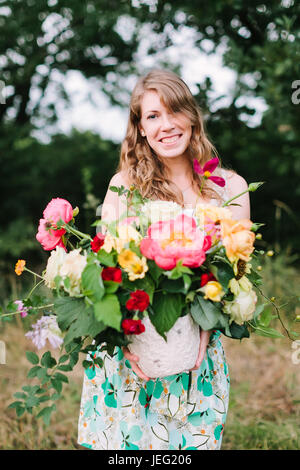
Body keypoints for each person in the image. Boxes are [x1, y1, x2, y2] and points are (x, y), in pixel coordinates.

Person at [77, 69, 250, 450]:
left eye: (174, 112)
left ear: (192, 117)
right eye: (152, 116)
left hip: (194, 354)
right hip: (131, 350)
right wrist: (122, 341)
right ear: (139, 128)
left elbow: (236, 276)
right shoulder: (125, 186)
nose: (166, 125)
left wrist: (205, 331)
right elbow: (106, 270)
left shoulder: (230, 188)